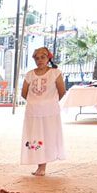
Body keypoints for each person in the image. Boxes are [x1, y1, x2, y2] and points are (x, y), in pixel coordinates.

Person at [21, 47, 67, 176]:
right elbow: (24, 93)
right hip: (33, 112)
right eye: (37, 58)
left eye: (42, 57)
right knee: (35, 137)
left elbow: (62, 91)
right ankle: (39, 166)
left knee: (47, 136)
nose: (40, 60)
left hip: (50, 112)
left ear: (48, 58)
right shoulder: (30, 74)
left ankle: (43, 167)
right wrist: (36, 102)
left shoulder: (55, 73)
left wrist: (48, 102)